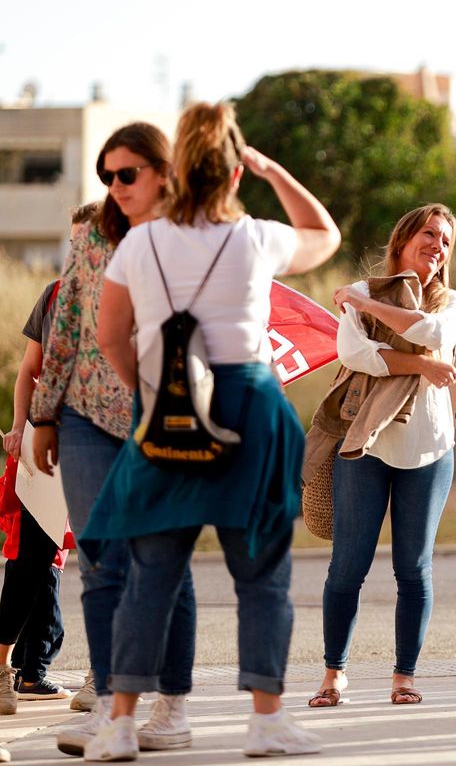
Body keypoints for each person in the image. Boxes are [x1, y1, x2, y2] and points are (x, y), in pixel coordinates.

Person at [81, 101, 340, 760]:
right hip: (250, 410)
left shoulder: (140, 243)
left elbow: (110, 333)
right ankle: (265, 723)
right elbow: (324, 234)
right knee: (261, 579)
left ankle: (116, 726)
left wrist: (152, 391)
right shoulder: (256, 237)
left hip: (168, 410)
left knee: (150, 579)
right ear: (231, 175)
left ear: (174, 174)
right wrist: (273, 170)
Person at [28, 124, 199, 755]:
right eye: (107, 176)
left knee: (165, 565)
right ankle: (108, 709)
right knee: (100, 564)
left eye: (127, 174)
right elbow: (67, 322)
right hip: (86, 419)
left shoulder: (196, 236)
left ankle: (171, 710)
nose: (115, 187)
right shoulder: (94, 234)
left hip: (168, 422)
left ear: (162, 171)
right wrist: (44, 416)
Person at [307, 204, 456, 708]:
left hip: (430, 448)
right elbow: (355, 355)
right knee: (346, 566)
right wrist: (422, 367)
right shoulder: (362, 292)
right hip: (364, 446)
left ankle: (404, 677)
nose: (436, 247)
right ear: (402, 239)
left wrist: (366, 304)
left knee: (413, 569)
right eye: (428, 234)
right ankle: (334, 674)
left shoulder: (453, 302)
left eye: (445, 241)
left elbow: (434, 334)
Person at [0, 280, 72, 711]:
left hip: (95, 444)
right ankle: (11, 669)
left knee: (46, 559)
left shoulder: (132, 286)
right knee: (31, 557)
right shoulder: (56, 293)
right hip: (51, 443)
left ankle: (31, 670)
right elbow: (31, 368)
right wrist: (19, 426)